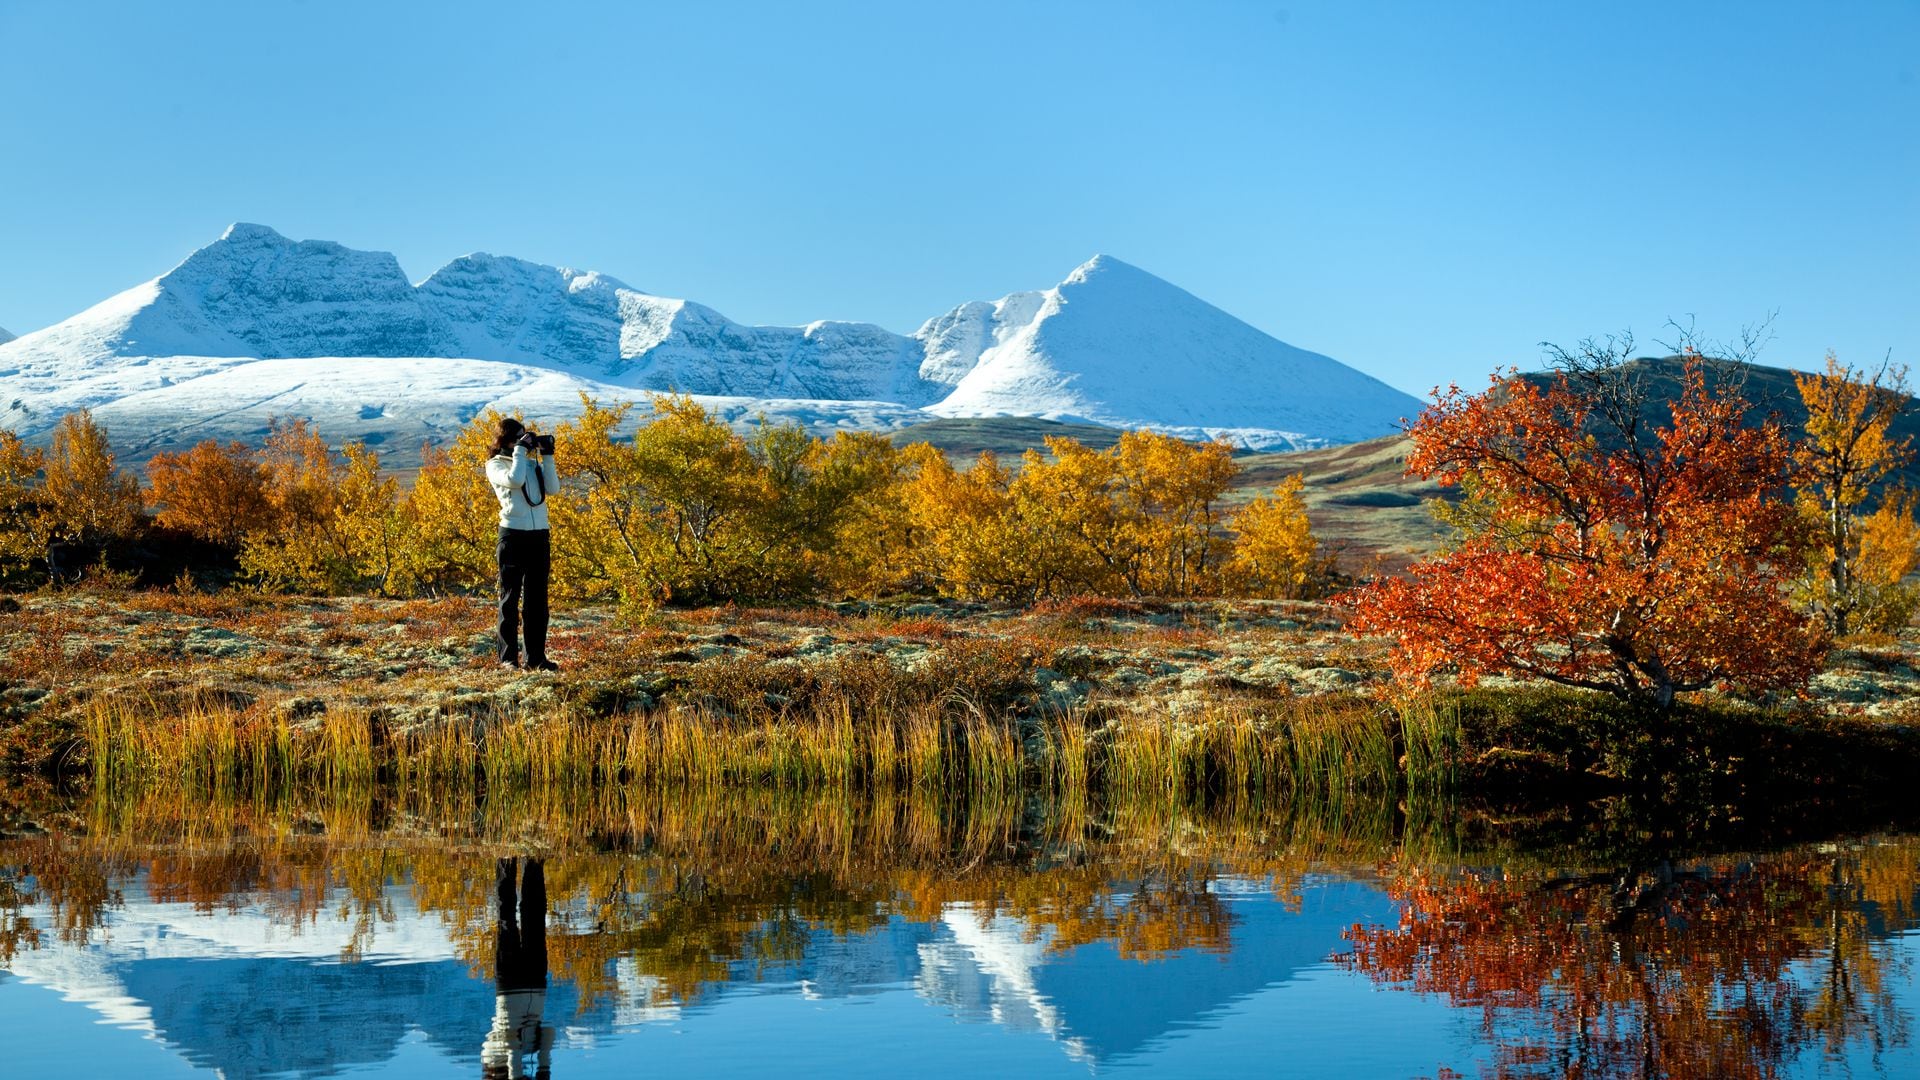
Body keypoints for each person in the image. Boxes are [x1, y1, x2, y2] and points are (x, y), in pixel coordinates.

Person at [487, 418, 561, 671]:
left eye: (525, 437)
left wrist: (547, 457)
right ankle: (508, 659)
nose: (524, 441)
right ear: (506, 439)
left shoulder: (529, 464)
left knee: (537, 601)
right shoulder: (495, 464)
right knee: (509, 599)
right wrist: (520, 450)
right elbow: (515, 480)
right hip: (512, 535)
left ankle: (536, 658)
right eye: (519, 437)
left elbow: (553, 489)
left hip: (539, 535)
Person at [482, 857, 555, 1079]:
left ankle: (506, 857)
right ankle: (535, 860)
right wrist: (543, 1067)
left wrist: (516, 1071)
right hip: (536, 984)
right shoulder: (532, 1048)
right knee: (535, 916)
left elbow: (510, 1040)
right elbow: (550, 1031)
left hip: (510, 987)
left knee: (506, 916)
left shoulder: (490, 1060)